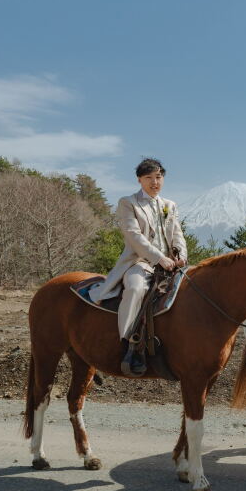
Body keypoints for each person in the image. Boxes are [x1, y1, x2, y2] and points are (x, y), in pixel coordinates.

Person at [88, 158, 187, 375]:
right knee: (135, 288)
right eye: (149, 178)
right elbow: (134, 237)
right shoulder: (128, 203)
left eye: (158, 177)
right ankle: (127, 344)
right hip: (139, 262)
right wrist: (160, 258)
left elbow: (178, 234)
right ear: (139, 180)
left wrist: (181, 255)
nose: (155, 182)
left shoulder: (170, 205)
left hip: (171, 264)